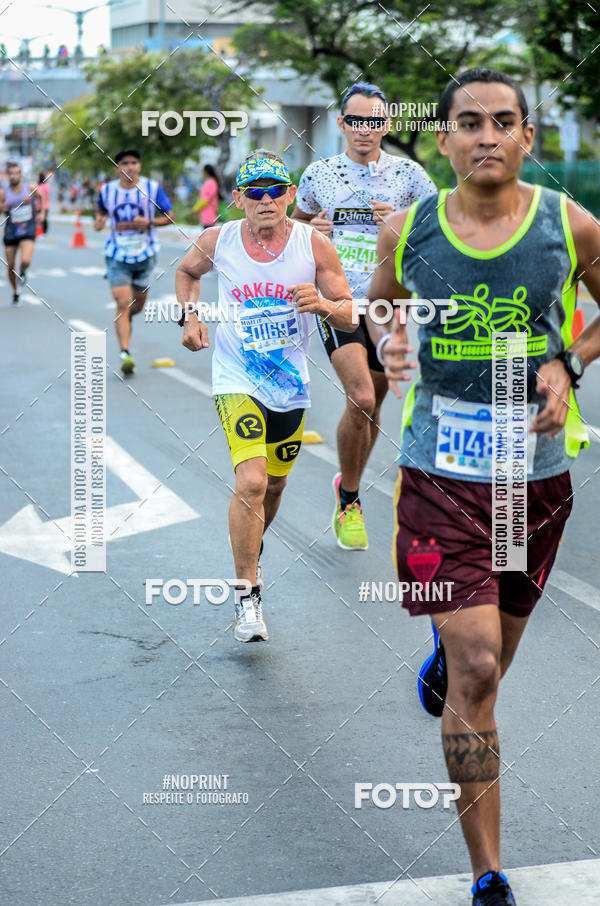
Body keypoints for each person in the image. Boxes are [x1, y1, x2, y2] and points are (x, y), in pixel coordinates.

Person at [366, 68, 599, 906]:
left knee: (490, 668)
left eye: (505, 122)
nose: (488, 136)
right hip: (437, 477)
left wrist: (569, 362)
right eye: (470, 123)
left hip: (531, 488)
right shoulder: (409, 229)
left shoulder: (567, 227)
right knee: (476, 671)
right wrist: (391, 340)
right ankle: (488, 873)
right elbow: (381, 305)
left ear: (528, 137)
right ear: (445, 139)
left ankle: (449, 655)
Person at [176, 149, 354, 643]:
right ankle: (247, 594)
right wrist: (189, 317)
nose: (266, 200)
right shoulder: (219, 239)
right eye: (254, 192)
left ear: (291, 195)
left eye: (276, 190)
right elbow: (187, 273)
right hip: (236, 377)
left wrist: (320, 303)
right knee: (251, 482)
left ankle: (250, 552)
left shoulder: (314, 247)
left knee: (273, 488)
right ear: (238, 199)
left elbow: (349, 312)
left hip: (289, 385)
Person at [293, 82, 436, 550]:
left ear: (386, 126)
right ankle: (350, 501)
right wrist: (310, 228)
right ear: (341, 124)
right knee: (363, 398)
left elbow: (439, 230)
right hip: (337, 299)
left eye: (374, 121)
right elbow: (295, 226)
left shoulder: (410, 177)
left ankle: (345, 482)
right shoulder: (319, 174)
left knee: (373, 403)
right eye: (355, 120)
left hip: (388, 302)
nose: (364, 129)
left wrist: (400, 220)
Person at [94, 149, 173, 375]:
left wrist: (149, 222)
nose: (130, 167)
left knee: (137, 305)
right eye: (125, 163)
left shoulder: (152, 188)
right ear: (117, 168)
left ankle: (125, 321)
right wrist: (99, 221)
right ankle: (125, 353)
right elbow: (100, 212)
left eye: (134, 163)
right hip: (117, 255)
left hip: (145, 255)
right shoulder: (107, 190)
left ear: (139, 166)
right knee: (121, 302)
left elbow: (170, 217)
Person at [0, 161, 45, 304]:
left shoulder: (29, 188)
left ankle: (23, 271)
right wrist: (3, 206)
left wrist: (42, 212)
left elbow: (41, 196)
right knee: (10, 265)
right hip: (11, 231)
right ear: (8, 176)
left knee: (25, 260)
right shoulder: (3, 193)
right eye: (11, 174)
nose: (13, 176)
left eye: (16, 173)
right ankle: (15, 290)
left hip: (28, 229)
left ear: (20, 175)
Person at [195, 164, 221, 228]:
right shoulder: (211, 182)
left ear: (205, 172)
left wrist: (195, 209)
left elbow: (205, 200)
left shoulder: (210, 183)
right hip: (207, 218)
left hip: (209, 218)